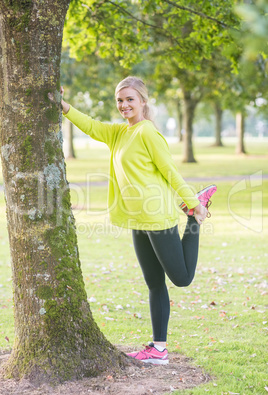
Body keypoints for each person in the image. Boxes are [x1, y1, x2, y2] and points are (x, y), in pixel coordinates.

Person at [59, 76, 217, 365]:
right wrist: (63, 105)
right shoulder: (119, 134)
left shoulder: (148, 133)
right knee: (154, 283)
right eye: (120, 100)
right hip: (137, 221)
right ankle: (159, 349)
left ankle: (196, 216)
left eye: (130, 99)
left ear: (143, 101)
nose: (124, 105)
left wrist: (194, 205)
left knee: (181, 279)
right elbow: (92, 126)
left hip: (158, 217)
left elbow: (169, 171)